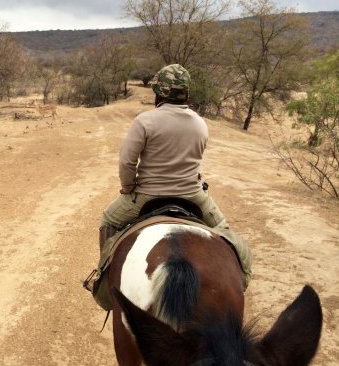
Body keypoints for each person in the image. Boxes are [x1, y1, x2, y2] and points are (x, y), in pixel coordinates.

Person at [97, 64, 252, 288]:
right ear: (186, 93)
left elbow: (127, 161)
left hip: (146, 195)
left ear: (160, 92)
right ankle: (242, 280)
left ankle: (104, 279)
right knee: (225, 231)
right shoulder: (200, 123)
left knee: (108, 219)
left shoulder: (145, 121)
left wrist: (129, 187)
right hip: (193, 196)